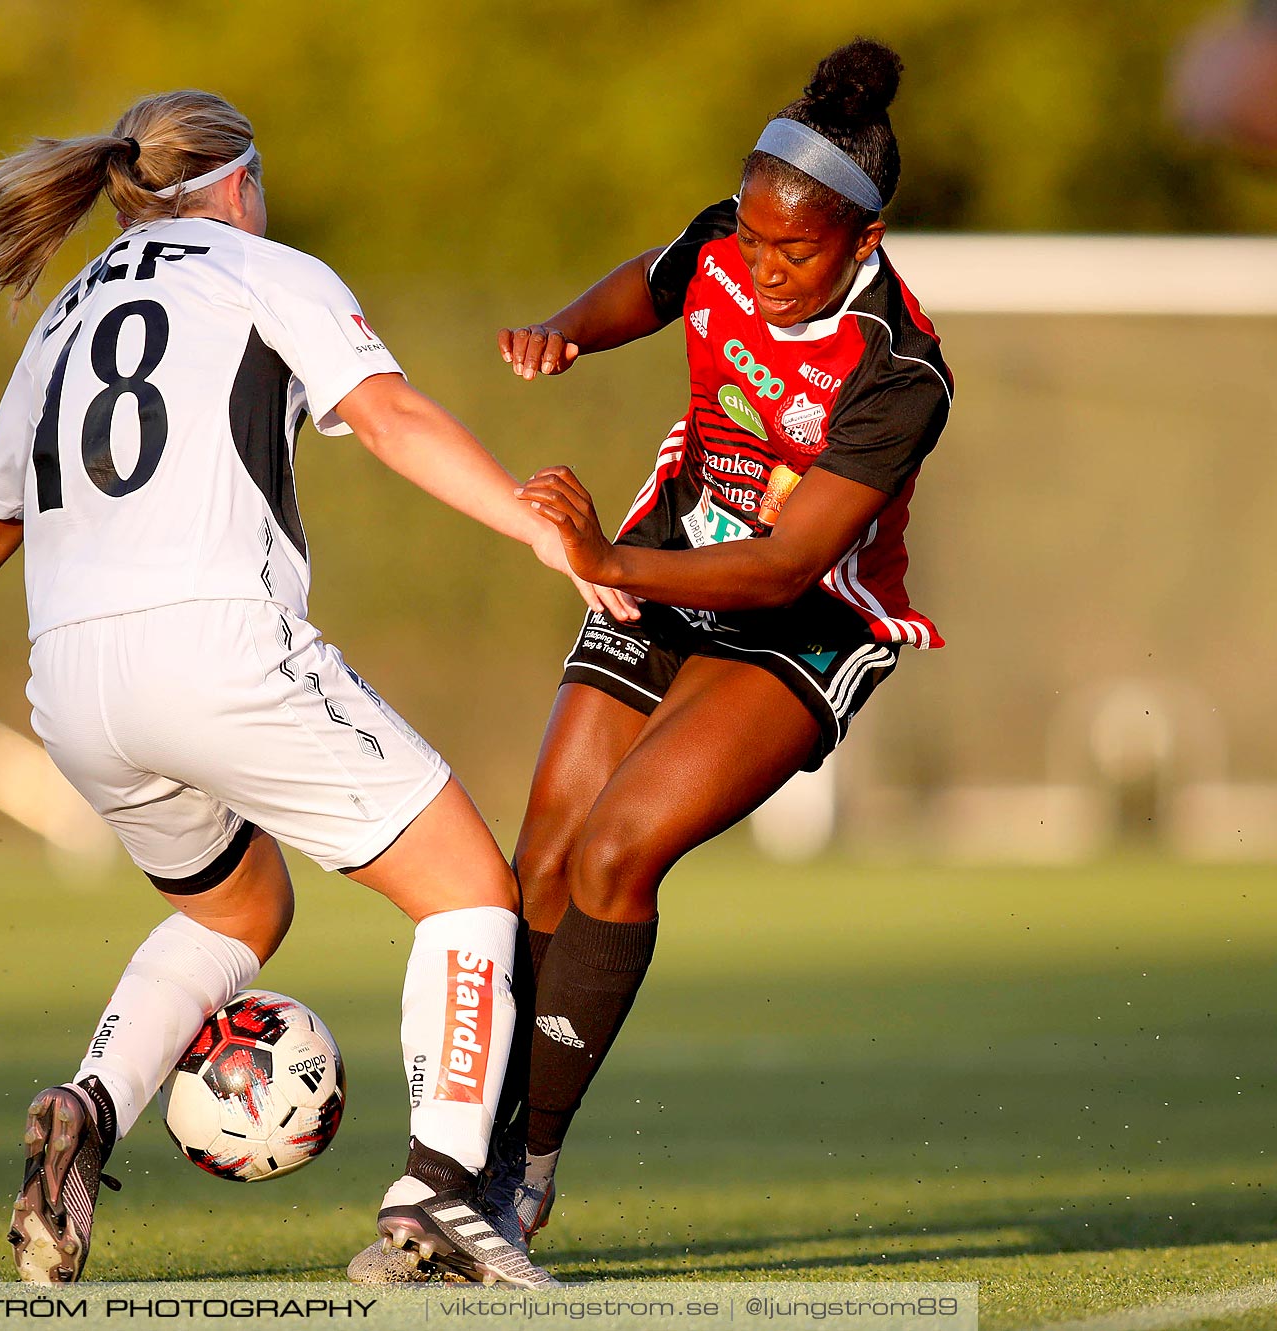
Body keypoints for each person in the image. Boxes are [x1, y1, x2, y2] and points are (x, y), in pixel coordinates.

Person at [0, 90, 631, 1288]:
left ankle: (87, 1110)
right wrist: (533, 534)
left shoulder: (66, 314)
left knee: (237, 911)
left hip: (69, 682)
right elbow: (384, 416)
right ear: (237, 181)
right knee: (468, 891)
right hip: (217, 648)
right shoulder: (258, 264)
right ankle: (439, 1198)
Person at [478, 37, 952, 1257]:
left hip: (802, 623)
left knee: (620, 848)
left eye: (797, 248)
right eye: (753, 238)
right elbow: (654, 281)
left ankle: (522, 1180)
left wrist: (604, 557)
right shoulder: (727, 245)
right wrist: (567, 332)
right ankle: (461, 1153)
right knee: (538, 860)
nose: (765, 265)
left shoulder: (900, 372)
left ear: (866, 238)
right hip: (670, 560)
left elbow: (789, 562)